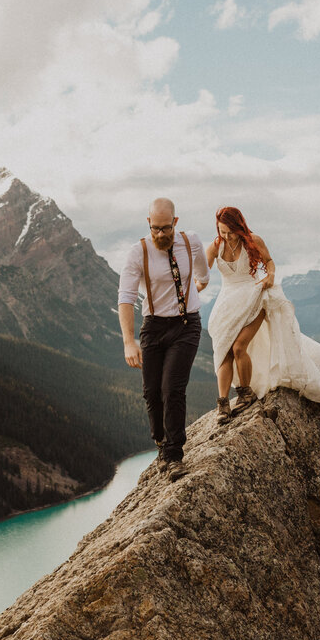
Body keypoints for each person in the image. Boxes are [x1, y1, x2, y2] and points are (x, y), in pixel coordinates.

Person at [205, 206, 320, 424]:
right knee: (224, 352)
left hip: (255, 298)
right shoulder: (216, 246)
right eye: (222, 231)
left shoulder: (253, 241)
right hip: (227, 304)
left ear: (239, 227)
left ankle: (246, 393)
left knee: (238, 347)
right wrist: (195, 286)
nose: (226, 236)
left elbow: (269, 262)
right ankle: (223, 404)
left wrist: (270, 276)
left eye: (230, 231)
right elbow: (202, 274)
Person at [118, 198, 209, 480]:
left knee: (172, 389)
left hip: (186, 325)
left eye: (165, 228)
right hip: (154, 327)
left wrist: (200, 282)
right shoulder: (138, 252)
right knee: (152, 393)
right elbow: (126, 298)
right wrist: (128, 341)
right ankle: (161, 442)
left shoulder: (190, 241)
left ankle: (174, 456)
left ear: (175, 222)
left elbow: (204, 271)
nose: (160, 234)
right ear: (148, 223)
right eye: (155, 228)